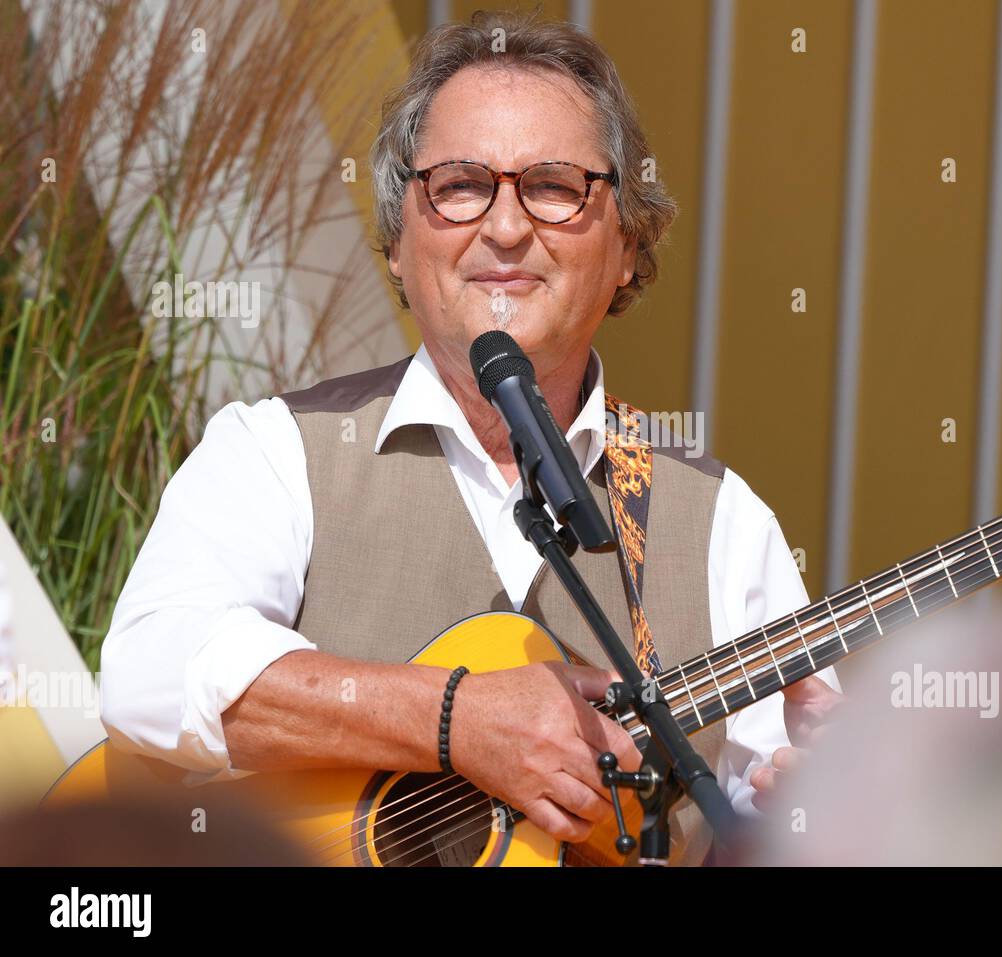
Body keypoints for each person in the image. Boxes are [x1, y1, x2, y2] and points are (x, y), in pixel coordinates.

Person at [100, 10, 842, 865]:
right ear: (396, 240)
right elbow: (150, 672)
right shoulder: (276, 452)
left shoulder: (725, 524)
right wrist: (451, 719)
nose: (504, 226)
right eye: (459, 184)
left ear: (630, 243)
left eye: (556, 185)